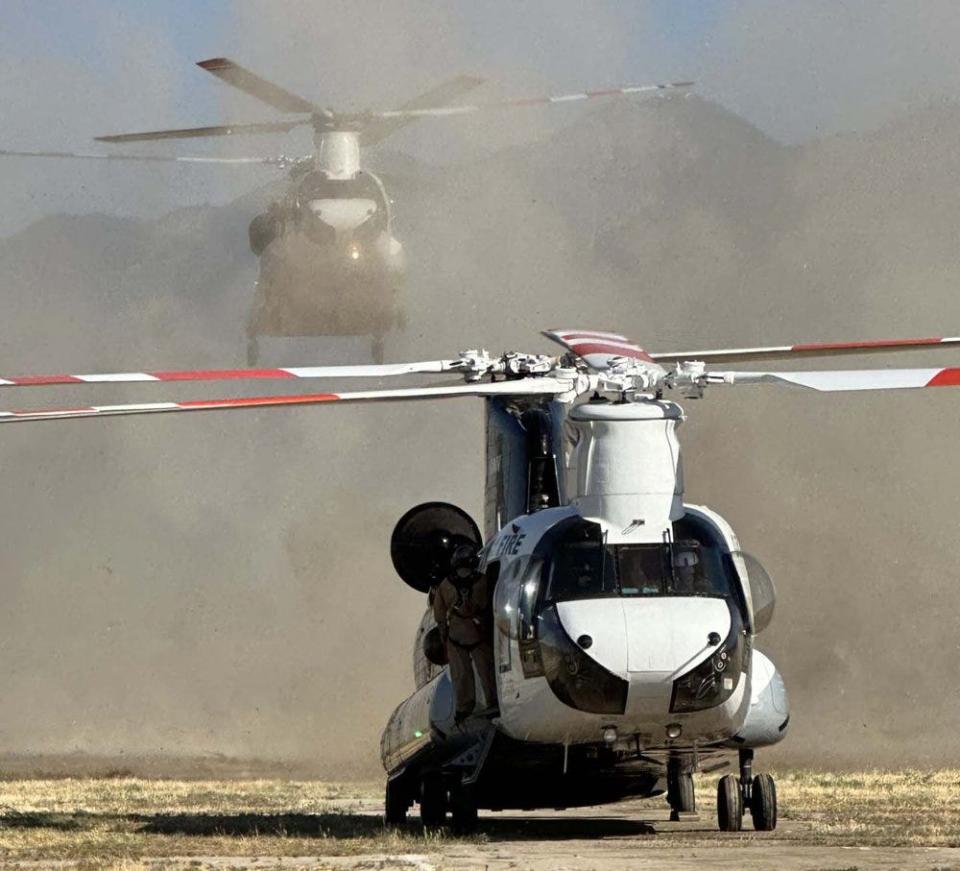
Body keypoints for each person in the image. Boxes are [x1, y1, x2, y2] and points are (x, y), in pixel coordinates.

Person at [433, 542, 498, 723]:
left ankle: (464, 708)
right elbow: (487, 605)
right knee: (487, 670)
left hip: (456, 636)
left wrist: (443, 634)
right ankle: (493, 700)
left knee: (461, 674)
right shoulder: (482, 581)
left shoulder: (445, 585)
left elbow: (439, 613)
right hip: (478, 633)